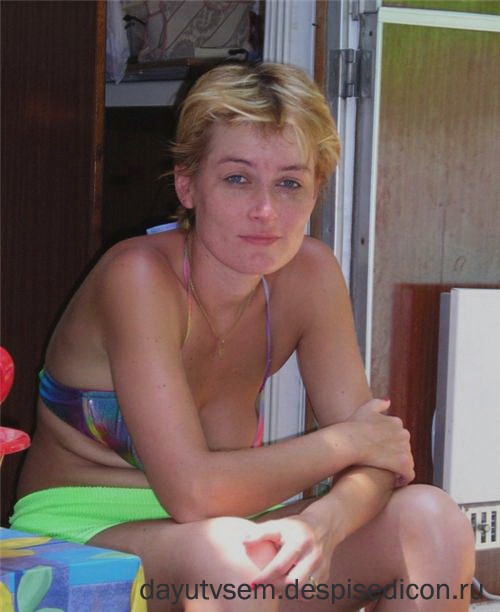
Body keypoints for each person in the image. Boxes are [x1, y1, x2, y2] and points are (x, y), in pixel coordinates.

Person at [12, 63, 474, 611]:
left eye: (289, 183)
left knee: (431, 521)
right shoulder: (136, 276)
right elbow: (193, 493)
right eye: (237, 178)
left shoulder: (310, 275)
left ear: (316, 192)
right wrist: (346, 443)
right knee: (239, 563)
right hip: (83, 533)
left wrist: (325, 520)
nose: (265, 210)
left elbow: (381, 462)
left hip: (231, 534)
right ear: (187, 185)